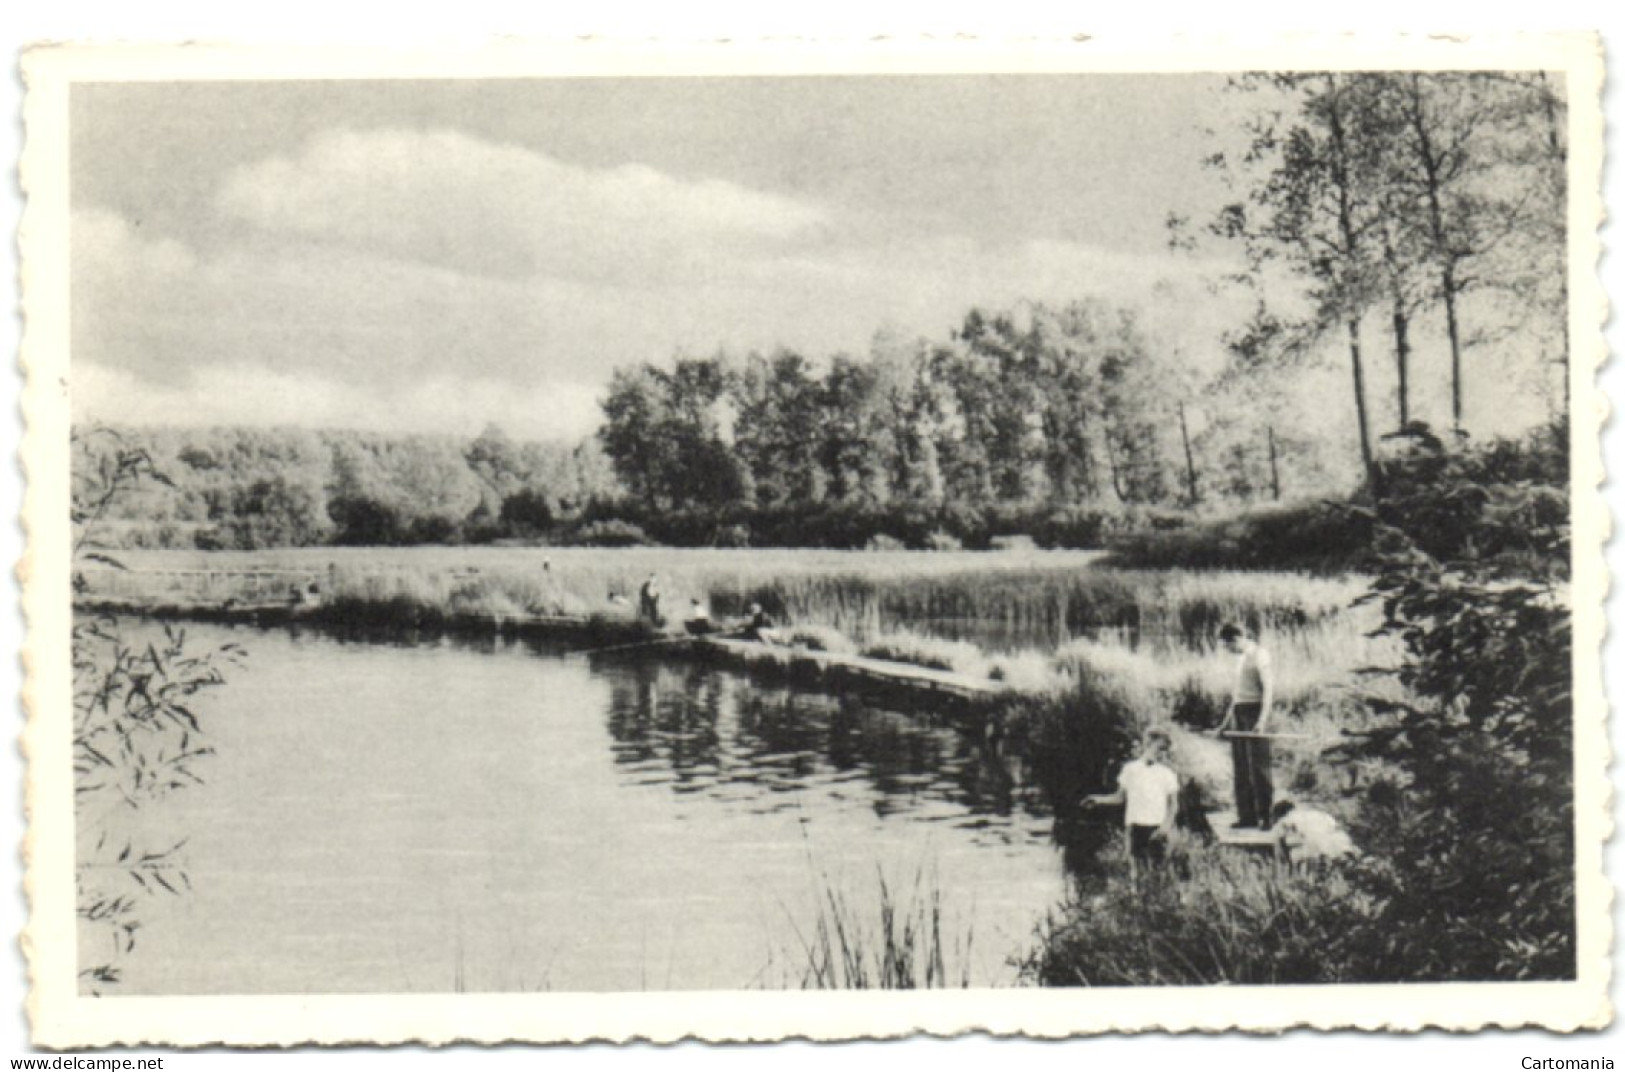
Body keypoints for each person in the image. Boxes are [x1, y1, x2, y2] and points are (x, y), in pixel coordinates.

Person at [1084, 731, 1181, 865]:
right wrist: (1098, 800)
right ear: (1147, 744)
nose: (1161, 753)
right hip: (1135, 827)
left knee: (1158, 872)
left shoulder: (1167, 773)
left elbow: (1174, 805)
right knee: (1136, 871)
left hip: (1158, 829)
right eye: (1159, 748)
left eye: (1165, 750)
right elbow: (1120, 797)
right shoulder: (1130, 770)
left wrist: (1165, 827)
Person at [1216, 621, 1275, 829]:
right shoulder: (1239, 659)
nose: (1228, 650)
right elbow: (1236, 696)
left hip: (1255, 711)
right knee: (1241, 767)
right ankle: (1247, 816)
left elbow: (1268, 690)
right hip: (1240, 713)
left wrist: (1262, 720)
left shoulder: (1259, 654)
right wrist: (1224, 724)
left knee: (1259, 768)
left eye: (1228, 645)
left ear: (1237, 639)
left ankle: (1267, 816)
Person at [1271, 800, 1356, 863]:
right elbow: (1337, 828)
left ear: (1279, 814)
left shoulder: (1286, 819)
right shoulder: (1319, 814)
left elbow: (1274, 837)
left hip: (1315, 854)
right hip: (1341, 848)